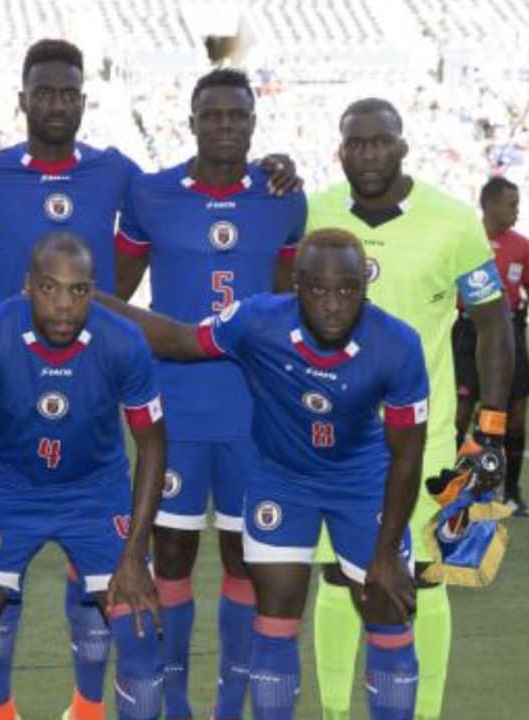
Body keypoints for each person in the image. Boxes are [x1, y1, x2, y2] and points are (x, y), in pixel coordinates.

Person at [0, 41, 298, 719]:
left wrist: (271, 167)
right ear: (22, 99)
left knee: (93, 579)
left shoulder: (121, 174)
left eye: (69, 92)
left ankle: (88, 705)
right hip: (6, 400)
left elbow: (166, 225)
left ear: (84, 100)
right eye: (44, 92)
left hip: (90, 405)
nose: (56, 104)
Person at [98, 228, 429, 720]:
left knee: (388, 610)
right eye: (317, 289)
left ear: (365, 284)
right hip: (283, 480)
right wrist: (96, 301)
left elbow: (407, 456)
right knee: (275, 616)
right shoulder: (256, 321)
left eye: (347, 290)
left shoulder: (397, 344)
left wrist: (386, 552)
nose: (332, 305)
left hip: (361, 481)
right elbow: (180, 340)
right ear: (296, 285)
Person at [306, 98, 514, 720]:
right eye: (356, 143)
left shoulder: (451, 221)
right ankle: (336, 713)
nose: (368, 154)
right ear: (341, 149)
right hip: (332, 437)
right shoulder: (313, 212)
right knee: (340, 575)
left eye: (380, 142)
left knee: (424, 574)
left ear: (402, 146)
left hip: (423, 439)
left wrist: (491, 426)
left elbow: (494, 323)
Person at [113, 67, 307, 720]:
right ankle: (175, 703)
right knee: (169, 555)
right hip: (173, 412)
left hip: (254, 413)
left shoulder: (283, 199)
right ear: (191, 120)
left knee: (244, 559)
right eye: (212, 114)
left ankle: (229, 706)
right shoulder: (151, 194)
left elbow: (287, 302)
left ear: (254, 121)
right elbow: (116, 293)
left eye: (237, 114)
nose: (225, 124)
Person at [0, 232, 166, 720]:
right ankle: (0, 712)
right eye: (50, 288)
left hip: (95, 492)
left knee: (141, 635)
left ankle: (87, 708)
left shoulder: (123, 340)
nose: (64, 305)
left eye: (78, 290)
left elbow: (153, 445)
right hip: (5, 489)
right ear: (28, 286)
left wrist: (134, 555)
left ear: (93, 290)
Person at [454, 177, 529, 513]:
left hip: (510, 332)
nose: (517, 211)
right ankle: (456, 486)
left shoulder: (522, 246)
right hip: (468, 332)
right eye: (512, 204)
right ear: (489, 204)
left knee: (516, 416)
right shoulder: (465, 240)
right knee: (460, 412)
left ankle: (510, 491)